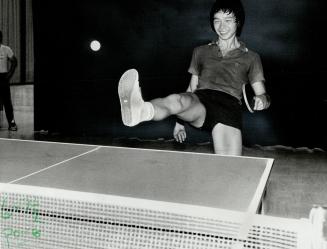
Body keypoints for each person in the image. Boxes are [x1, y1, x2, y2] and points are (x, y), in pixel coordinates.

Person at [118, 0, 270, 156]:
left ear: (238, 22)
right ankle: (141, 110)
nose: (221, 26)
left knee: (229, 167)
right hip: (201, 100)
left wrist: (262, 100)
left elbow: (262, 94)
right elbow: (191, 88)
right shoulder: (200, 51)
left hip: (228, 109)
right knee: (177, 100)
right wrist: (179, 122)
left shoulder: (251, 57)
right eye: (216, 20)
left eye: (227, 20)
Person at [0, 30, 18, 131]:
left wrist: (9, 75)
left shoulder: (6, 49)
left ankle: (12, 123)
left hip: (3, 78)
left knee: (7, 101)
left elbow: (14, 62)